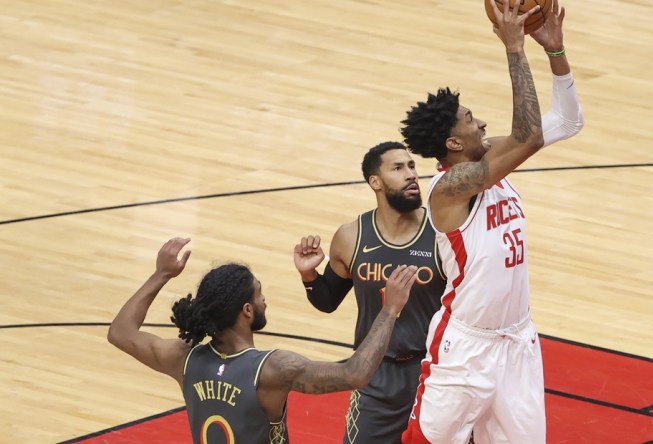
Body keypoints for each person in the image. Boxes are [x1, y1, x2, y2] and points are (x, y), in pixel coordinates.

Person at [400, 0, 584, 442]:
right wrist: (514, 49)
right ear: (452, 142)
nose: (481, 122)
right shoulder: (448, 188)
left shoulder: (495, 158)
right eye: (470, 120)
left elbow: (568, 121)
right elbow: (529, 134)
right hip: (466, 347)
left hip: (517, 341)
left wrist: (555, 52)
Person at [108, 237, 418, 444]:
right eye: (259, 293)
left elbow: (120, 332)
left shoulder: (183, 358)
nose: (264, 299)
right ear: (246, 310)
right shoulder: (273, 369)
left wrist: (162, 274)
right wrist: (390, 309)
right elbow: (356, 374)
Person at [293, 141, 447, 444]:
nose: (411, 175)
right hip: (374, 374)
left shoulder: (442, 232)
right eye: (398, 168)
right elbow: (327, 301)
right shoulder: (351, 236)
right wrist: (308, 274)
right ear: (375, 182)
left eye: (412, 166)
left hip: (433, 373)